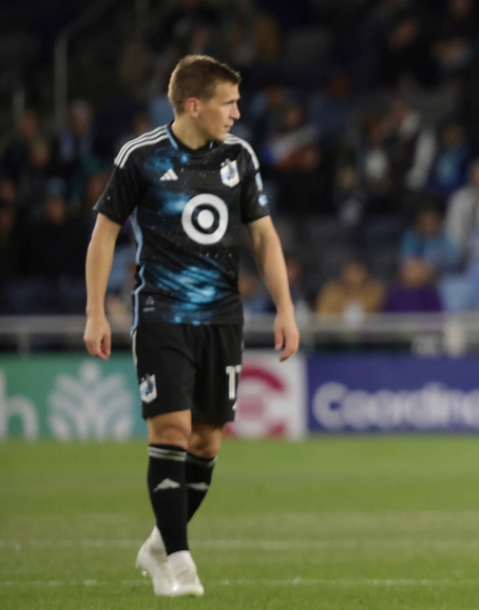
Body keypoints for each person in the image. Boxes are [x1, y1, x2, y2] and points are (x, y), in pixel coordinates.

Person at [83, 55, 300, 598]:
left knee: (206, 442)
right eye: (228, 102)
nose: (237, 112)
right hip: (161, 313)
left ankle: (159, 543)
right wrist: (93, 311)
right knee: (171, 432)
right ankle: (179, 563)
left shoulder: (239, 156)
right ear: (194, 105)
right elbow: (104, 234)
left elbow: (265, 238)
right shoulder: (142, 157)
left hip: (222, 316)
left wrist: (286, 308)